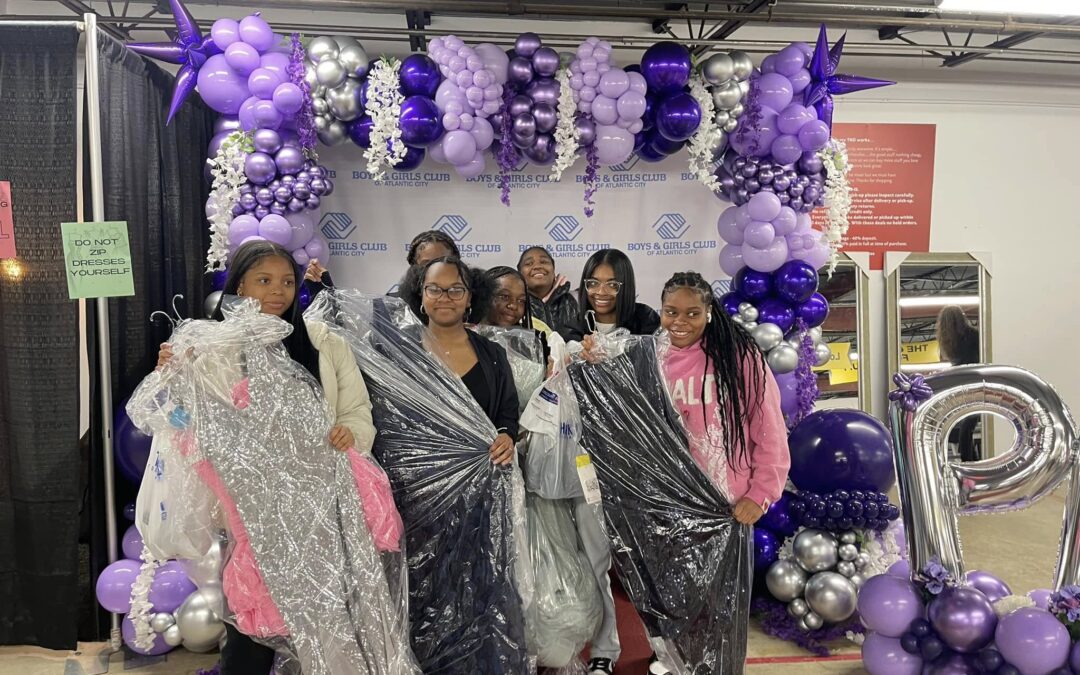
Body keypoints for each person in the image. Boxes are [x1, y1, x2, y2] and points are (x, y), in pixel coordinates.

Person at [157, 241, 376, 674]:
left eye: (287, 282)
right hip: (249, 516)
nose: (278, 292)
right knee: (250, 630)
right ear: (239, 286)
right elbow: (185, 423)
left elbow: (357, 411)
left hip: (318, 512)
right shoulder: (214, 347)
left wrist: (348, 434)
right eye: (264, 280)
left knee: (323, 624)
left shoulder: (322, 342)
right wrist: (174, 377)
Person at [585, 271, 789, 675]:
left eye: (692, 313)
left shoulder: (739, 357)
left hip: (725, 506)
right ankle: (676, 664)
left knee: (721, 611)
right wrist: (594, 358)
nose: (680, 321)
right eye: (670, 312)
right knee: (673, 601)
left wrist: (762, 491)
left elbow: (767, 426)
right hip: (668, 503)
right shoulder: (648, 356)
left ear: (709, 313)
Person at [401, 256, 518, 464]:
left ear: (470, 298)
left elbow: (507, 410)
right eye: (434, 289)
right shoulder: (399, 349)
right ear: (421, 295)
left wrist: (506, 435)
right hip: (413, 479)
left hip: (481, 477)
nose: (444, 297)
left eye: (456, 290)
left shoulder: (493, 354)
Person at [569, 248, 659, 342]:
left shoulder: (645, 319)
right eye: (593, 283)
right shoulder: (573, 323)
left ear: (626, 286)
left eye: (612, 285)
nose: (601, 292)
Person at [936, 305, 981, 461]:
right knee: (968, 425)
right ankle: (970, 459)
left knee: (963, 424)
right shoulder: (974, 336)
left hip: (961, 385)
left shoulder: (948, 342)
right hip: (977, 382)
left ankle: (968, 459)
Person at [518, 246, 579, 340]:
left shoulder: (577, 299)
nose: (537, 266)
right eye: (529, 263)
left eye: (544, 262)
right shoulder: (513, 306)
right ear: (520, 273)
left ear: (553, 269)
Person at [388, 230, 462, 297]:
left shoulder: (469, 302)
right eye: (427, 264)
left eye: (442, 262)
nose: (435, 269)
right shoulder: (391, 305)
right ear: (414, 266)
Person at [483, 265, 553, 335]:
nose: (514, 306)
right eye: (505, 296)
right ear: (484, 296)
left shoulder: (535, 338)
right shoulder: (472, 338)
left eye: (521, 301)